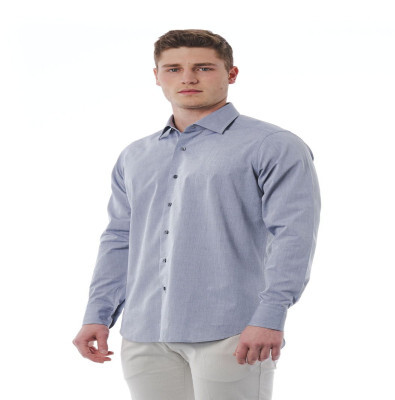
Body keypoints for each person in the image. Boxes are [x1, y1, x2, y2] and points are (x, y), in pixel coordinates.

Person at [73, 29, 321, 400]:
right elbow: (119, 238)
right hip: (145, 333)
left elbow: (293, 235)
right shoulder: (135, 155)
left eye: (203, 67)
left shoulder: (273, 145)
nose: (188, 78)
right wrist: (98, 312)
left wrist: (271, 315)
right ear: (156, 76)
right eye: (173, 69)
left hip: (233, 331)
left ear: (231, 74)